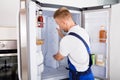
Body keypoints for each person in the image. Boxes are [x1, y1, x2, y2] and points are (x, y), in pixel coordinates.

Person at [53, 7, 94, 80]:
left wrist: (52, 56)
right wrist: (61, 35)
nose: (60, 27)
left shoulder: (67, 40)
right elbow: (73, 43)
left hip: (78, 76)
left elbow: (59, 57)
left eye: (59, 24)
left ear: (64, 22)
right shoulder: (83, 31)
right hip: (89, 74)